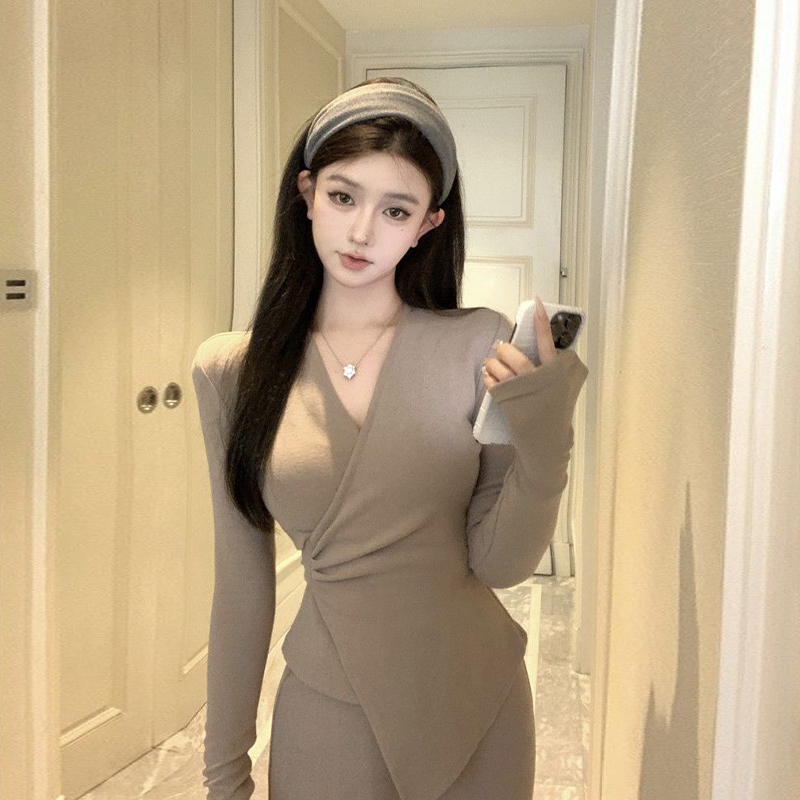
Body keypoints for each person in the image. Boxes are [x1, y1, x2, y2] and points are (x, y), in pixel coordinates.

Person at [191, 76, 589, 800]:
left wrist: (547, 438)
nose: (362, 232)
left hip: (479, 705)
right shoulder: (233, 371)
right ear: (307, 192)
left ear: (428, 225)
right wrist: (224, 776)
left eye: (395, 210)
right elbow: (241, 584)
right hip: (327, 713)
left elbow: (500, 563)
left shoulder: (478, 344)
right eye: (343, 196)